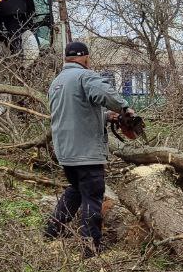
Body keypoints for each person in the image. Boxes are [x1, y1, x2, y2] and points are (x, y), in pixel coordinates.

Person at [44, 41, 134, 254]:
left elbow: (74, 113)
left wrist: (106, 116)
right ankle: (90, 248)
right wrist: (125, 109)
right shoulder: (85, 76)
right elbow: (106, 94)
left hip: (65, 151)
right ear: (84, 57)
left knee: (76, 190)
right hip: (86, 153)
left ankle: (51, 231)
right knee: (93, 197)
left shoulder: (57, 82)